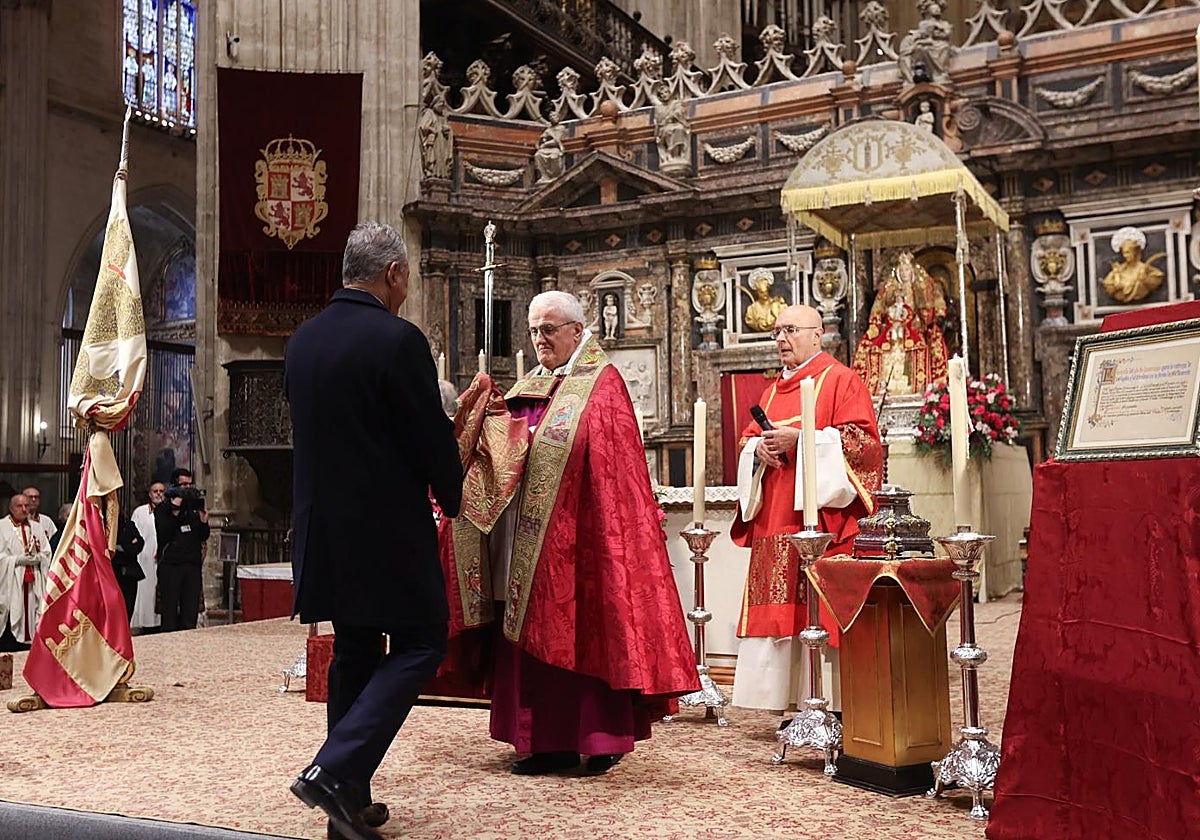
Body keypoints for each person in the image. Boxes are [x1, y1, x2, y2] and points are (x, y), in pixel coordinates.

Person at [446, 290, 698, 778]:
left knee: (588, 630)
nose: (539, 340)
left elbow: (611, 471)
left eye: (549, 330)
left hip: (587, 542)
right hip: (528, 540)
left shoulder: (603, 386)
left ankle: (599, 737)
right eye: (534, 330)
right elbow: (506, 456)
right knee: (530, 638)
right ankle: (544, 743)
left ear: (577, 332)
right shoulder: (530, 384)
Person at [285, 220, 462, 840]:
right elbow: (426, 436)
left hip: (321, 532)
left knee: (356, 651)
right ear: (393, 274)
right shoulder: (398, 340)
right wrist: (452, 493)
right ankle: (333, 769)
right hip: (386, 531)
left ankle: (347, 809)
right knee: (422, 643)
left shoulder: (302, 341)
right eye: (407, 275)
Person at [730, 304, 883, 713]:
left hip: (821, 524)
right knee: (781, 614)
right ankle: (784, 703)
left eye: (791, 330)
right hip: (774, 519)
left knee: (819, 611)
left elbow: (863, 447)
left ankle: (825, 703)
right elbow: (748, 440)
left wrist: (802, 441)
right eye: (777, 331)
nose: (781, 339)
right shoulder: (770, 391)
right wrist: (757, 448)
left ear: (818, 334)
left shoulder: (841, 380)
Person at [852, 251, 949, 396]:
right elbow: (879, 309)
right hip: (894, 329)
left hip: (915, 327)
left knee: (924, 344)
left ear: (912, 272)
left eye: (907, 270)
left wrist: (932, 317)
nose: (904, 274)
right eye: (902, 271)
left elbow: (933, 307)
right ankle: (887, 385)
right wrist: (877, 324)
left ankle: (916, 386)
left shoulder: (922, 289)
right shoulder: (890, 290)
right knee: (880, 347)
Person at [154, 468, 210, 632]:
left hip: (191, 565)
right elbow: (164, 533)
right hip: (171, 566)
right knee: (170, 612)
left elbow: (202, 536)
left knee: (190, 613)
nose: (187, 487)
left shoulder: (192, 508)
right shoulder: (163, 509)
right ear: (174, 486)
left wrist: (204, 522)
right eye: (183, 484)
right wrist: (174, 511)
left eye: (189, 484)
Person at [0, 493, 52, 651]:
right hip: (12, 579)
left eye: (27, 506)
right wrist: (16, 560)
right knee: (14, 610)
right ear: (11, 508)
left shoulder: (36, 527)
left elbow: (46, 552)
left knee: (33, 610)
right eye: (19, 506)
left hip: (34, 579)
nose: (24, 509)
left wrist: (38, 558)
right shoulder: (2, 526)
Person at [130, 482, 164, 631]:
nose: (158, 494)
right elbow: (133, 535)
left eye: (161, 491)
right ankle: (144, 624)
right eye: (155, 491)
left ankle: (160, 623)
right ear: (150, 494)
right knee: (144, 593)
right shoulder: (140, 512)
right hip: (144, 559)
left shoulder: (169, 511)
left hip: (161, 560)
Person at [1101, 226, 1165, 303]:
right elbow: (1108, 285)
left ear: (1135, 252)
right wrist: (1117, 286)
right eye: (1124, 253)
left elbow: (1156, 280)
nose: (1125, 256)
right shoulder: (1119, 270)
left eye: (1128, 252)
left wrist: (1145, 279)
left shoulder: (1143, 268)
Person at [110, 512, 146, 620]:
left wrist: (121, 548)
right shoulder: (104, 527)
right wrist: (127, 546)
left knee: (129, 606)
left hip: (130, 573)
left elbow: (139, 543)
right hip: (113, 572)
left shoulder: (129, 525)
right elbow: (108, 548)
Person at [743, 269, 787, 333]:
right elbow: (751, 321)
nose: (765, 294)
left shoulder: (778, 305)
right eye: (761, 292)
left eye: (766, 291)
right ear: (756, 292)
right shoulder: (751, 309)